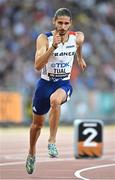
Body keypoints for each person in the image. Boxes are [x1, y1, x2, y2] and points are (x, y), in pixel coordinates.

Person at [26, 8, 86, 174]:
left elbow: (79, 44)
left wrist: (79, 58)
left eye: (66, 23)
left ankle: (52, 141)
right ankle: (31, 153)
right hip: (44, 85)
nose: (63, 26)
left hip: (63, 84)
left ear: (70, 24)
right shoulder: (44, 38)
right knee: (36, 125)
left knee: (56, 101)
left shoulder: (77, 37)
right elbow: (37, 66)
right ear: (54, 22)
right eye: (60, 22)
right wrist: (53, 47)